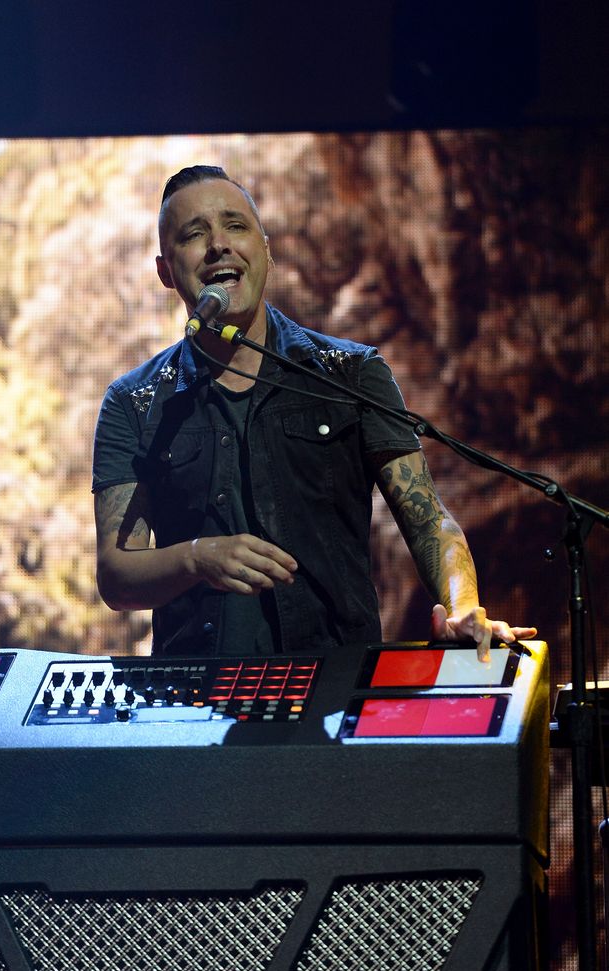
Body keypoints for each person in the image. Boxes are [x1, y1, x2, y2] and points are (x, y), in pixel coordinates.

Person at [92, 165, 536, 661]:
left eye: (235, 226)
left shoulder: (350, 373)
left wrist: (462, 604)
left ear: (266, 249)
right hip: (196, 705)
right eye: (194, 235)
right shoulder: (133, 402)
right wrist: (198, 558)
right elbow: (117, 577)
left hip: (336, 689)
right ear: (165, 272)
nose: (218, 245)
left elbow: (428, 518)